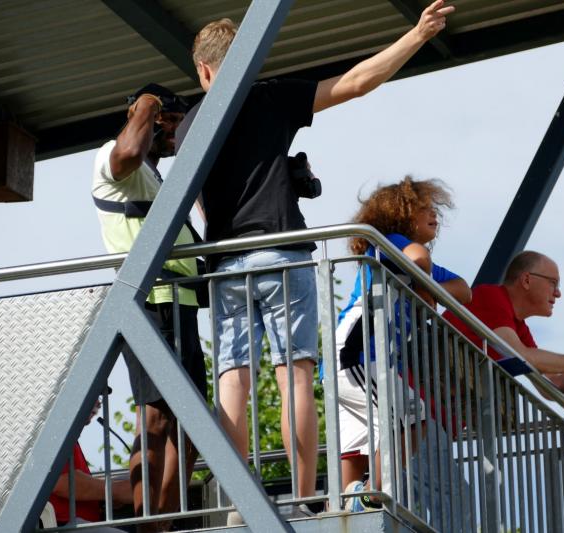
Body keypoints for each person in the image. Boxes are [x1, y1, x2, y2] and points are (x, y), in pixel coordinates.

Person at [175, 0, 456, 518]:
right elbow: (355, 82)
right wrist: (417, 35)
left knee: (232, 381)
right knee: (295, 378)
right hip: (281, 252)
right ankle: (304, 499)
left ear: (205, 71)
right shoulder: (268, 98)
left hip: (226, 261)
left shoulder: (189, 126)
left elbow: (194, 201)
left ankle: (238, 501)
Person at [91, 83, 208, 531]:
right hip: (148, 304)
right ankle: (148, 525)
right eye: (169, 122)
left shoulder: (156, 175)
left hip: (180, 304)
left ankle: (164, 521)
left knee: (193, 424)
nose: (175, 132)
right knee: (156, 418)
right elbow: (128, 152)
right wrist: (146, 106)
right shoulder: (113, 157)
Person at [330, 176, 471, 511]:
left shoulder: (406, 257)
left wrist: (427, 290)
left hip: (356, 359)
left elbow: (464, 290)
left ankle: (342, 506)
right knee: (414, 418)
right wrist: (425, 289)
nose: (434, 215)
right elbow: (419, 259)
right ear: (402, 214)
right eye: (425, 208)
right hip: (359, 354)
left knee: (357, 444)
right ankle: (371, 495)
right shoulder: (389, 242)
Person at [443, 250, 564, 394]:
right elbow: (523, 356)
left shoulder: (519, 328)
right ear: (527, 280)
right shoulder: (490, 296)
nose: (558, 293)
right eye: (553, 283)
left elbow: (553, 384)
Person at [48, 400, 132, 530]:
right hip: (62, 526)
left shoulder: (68, 439)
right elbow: (61, 482)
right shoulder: (52, 433)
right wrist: (118, 490)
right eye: (93, 397)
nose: (99, 402)